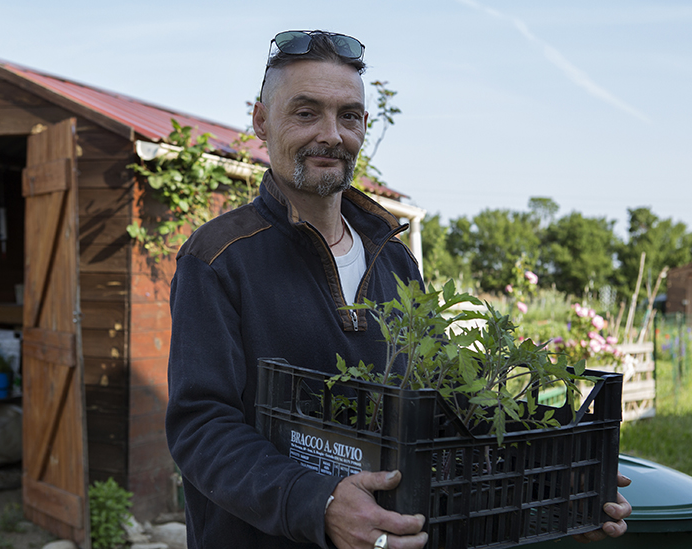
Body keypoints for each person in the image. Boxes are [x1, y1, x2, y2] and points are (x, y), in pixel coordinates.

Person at [165, 30, 630, 549]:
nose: (332, 134)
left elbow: (441, 415)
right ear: (261, 121)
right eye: (305, 113)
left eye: (349, 116)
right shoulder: (219, 258)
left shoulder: (395, 260)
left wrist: (550, 484)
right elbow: (202, 428)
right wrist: (317, 504)